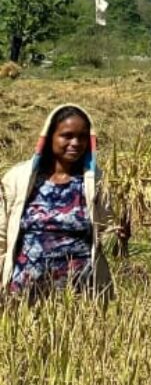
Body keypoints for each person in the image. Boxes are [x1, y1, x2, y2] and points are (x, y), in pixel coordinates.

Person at [1, 105, 119, 300]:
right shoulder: (19, 178)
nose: (75, 143)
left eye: (82, 137)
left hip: (80, 293)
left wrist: (119, 235)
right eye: (67, 135)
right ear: (50, 137)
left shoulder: (97, 182)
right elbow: (2, 235)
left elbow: (106, 235)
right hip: (25, 291)